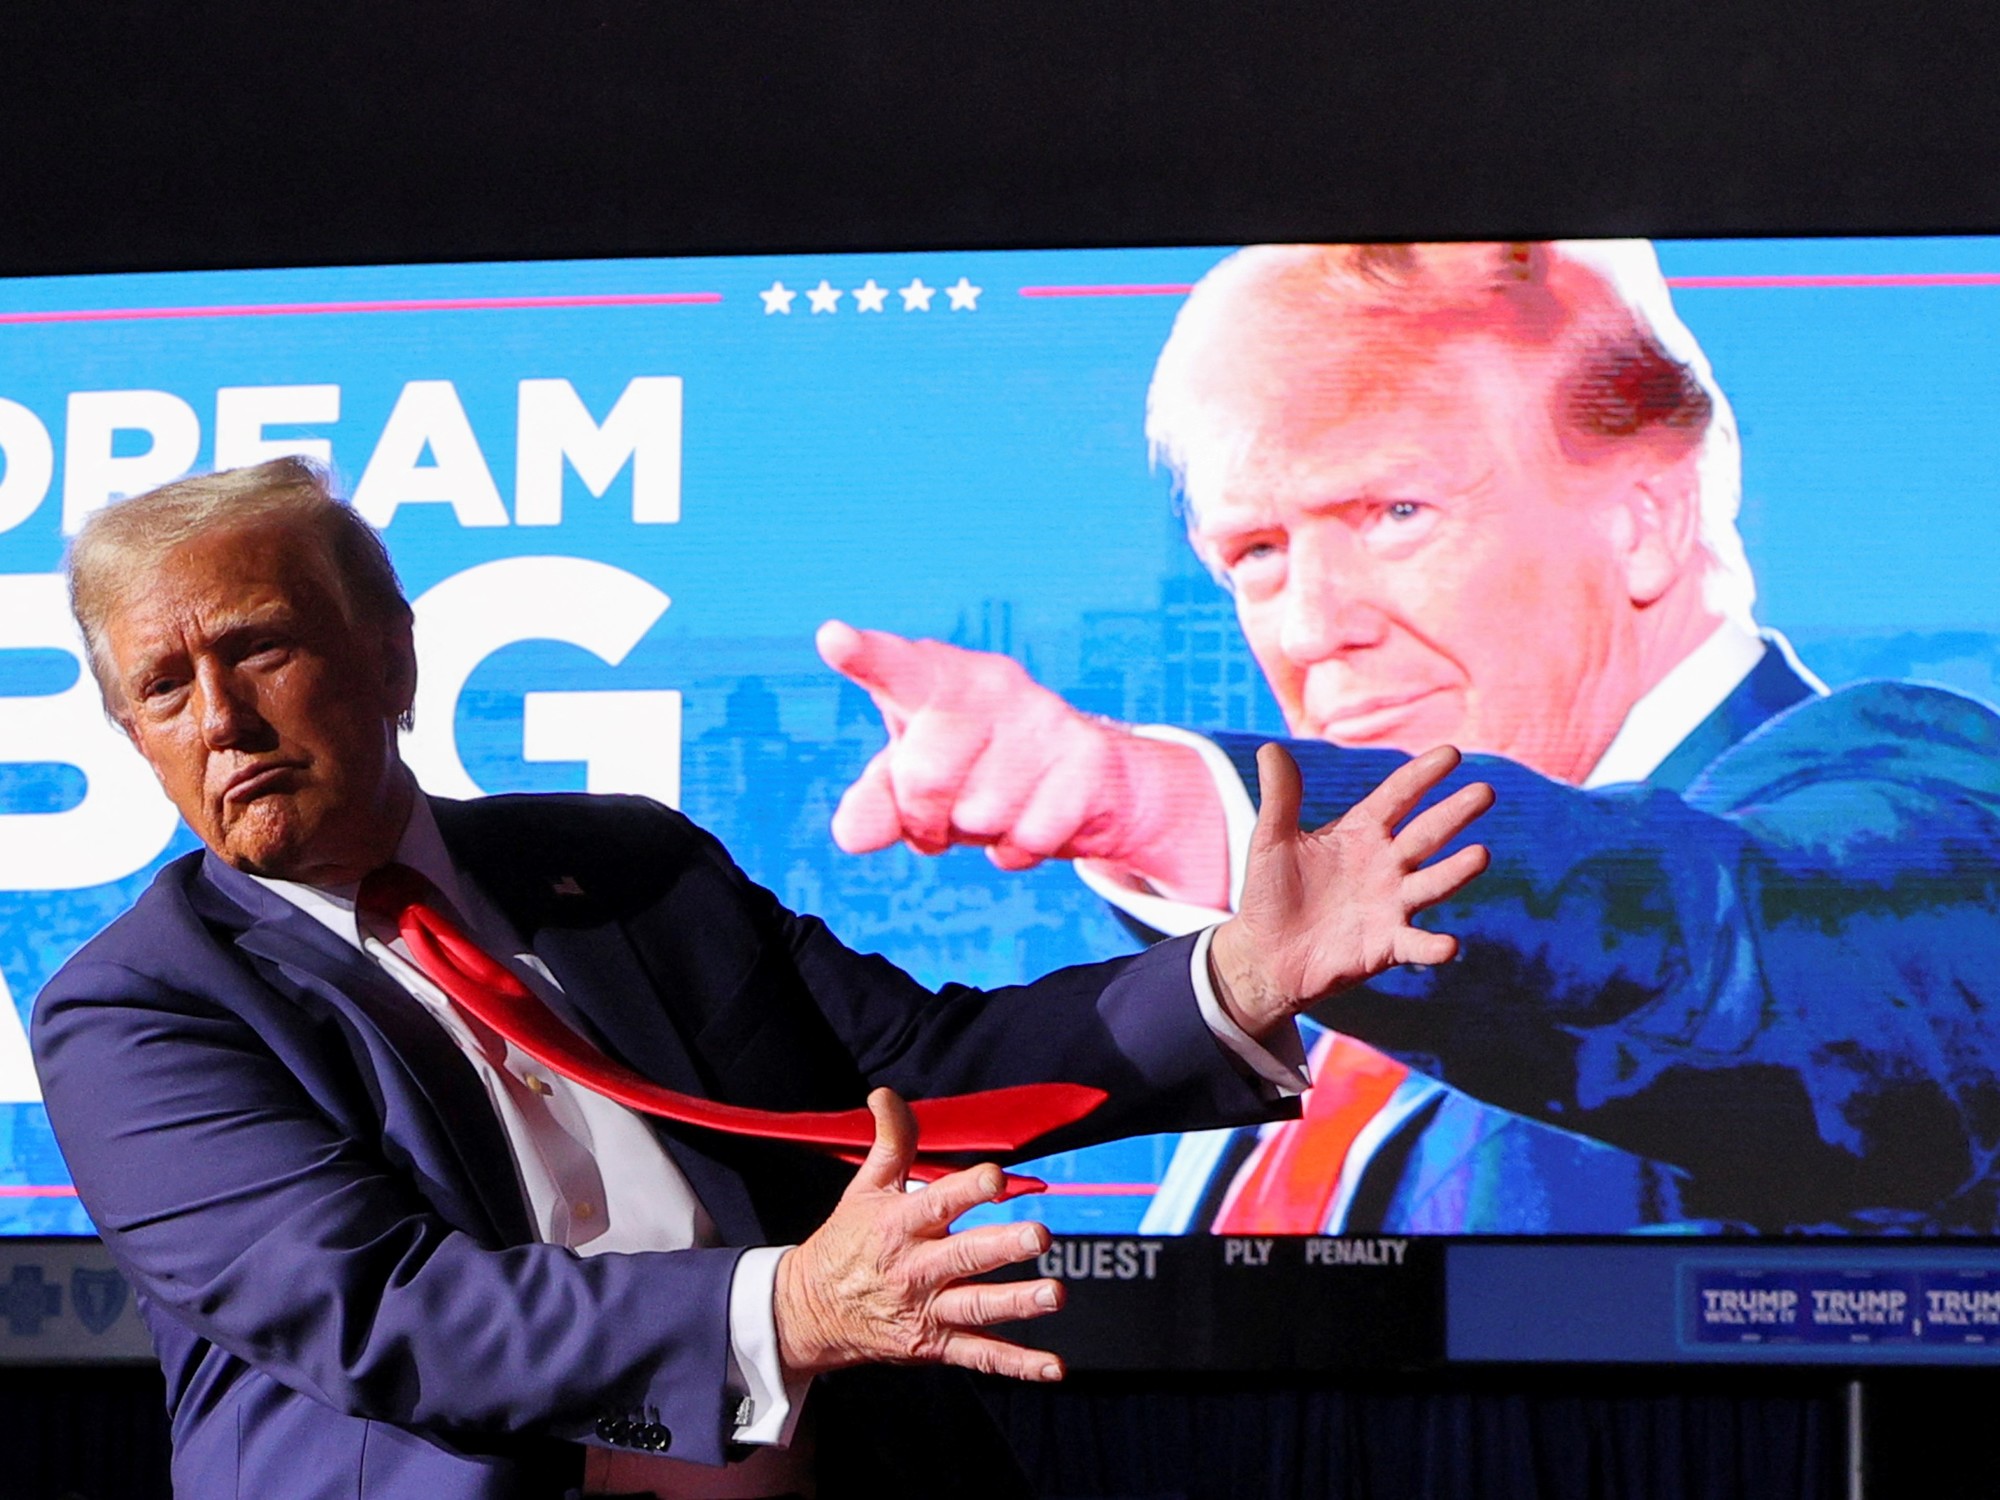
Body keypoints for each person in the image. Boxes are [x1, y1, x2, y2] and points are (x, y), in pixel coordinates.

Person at [30, 457, 1493, 1499]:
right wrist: (787, 1310)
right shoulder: (137, 1008)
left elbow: (917, 1075)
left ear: (391, 654)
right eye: (164, 689)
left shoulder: (621, 863)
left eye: (261, 650)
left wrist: (1235, 972)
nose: (218, 718)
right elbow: (387, 1313)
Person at [818, 240, 2000, 1236]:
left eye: (1393, 514)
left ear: (1645, 518)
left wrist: (1162, 803)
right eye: (1257, 554)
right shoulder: (1306, 1018)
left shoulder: (1906, 802)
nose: (1311, 627)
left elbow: (1723, 949)